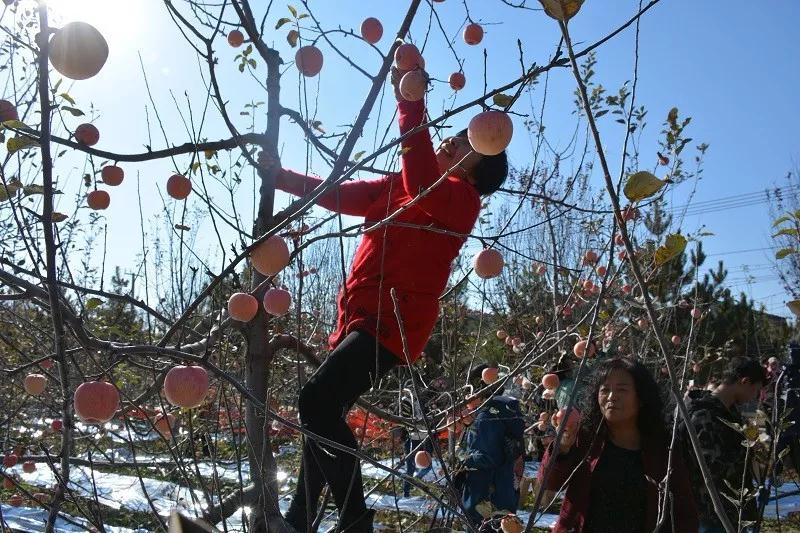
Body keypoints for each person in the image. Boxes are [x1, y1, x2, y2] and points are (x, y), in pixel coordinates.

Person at [259, 66, 509, 532]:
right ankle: (298, 521)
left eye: (466, 145)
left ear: (481, 169)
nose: (452, 143)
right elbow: (340, 193)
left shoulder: (459, 199)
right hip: (355, 317)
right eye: (454, 136)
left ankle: (356, 520)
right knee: (322, 417)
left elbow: (421, 181)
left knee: (315, 402)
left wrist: (411, 102)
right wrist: (282, 178)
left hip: (391, 327)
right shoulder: (402, 185)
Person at [539, 358, 698, 533]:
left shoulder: (662, 449)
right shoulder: (584, 437)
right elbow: (549, 482)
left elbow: (684, 512)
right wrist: (562, 446)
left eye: (622, 389)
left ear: (641, 397)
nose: (611, 396)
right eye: (605, 390)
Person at [680, 356, 765, 533]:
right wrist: (747, 449)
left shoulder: (729, 412)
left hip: (731, 511)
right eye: (755, 390)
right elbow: (711, 470)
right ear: (745, 382)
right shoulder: (704, 415)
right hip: (712, 514)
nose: (753, 397)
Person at [457, 364, 525, 531]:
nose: (466, 397)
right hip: (503, 489)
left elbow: (487, 457)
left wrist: (459, 456)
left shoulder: (485, 418)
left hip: (484, 495)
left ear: (479, 391)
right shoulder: (504, 411)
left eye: (469, 391)